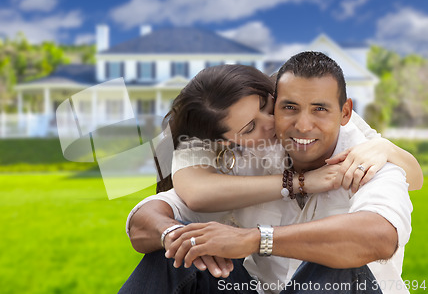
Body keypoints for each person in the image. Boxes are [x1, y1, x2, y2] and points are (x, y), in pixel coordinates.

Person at [122, 56, 416, 293]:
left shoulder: (366, 157)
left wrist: (255, 239)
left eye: (268, 107)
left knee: (341, 256)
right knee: (176, 254)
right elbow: (150, 217)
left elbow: (378, 236)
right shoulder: (242, 158)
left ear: (344, 112)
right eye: (288, 108)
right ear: (228, 141)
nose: (300, 125)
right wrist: (174, 236)